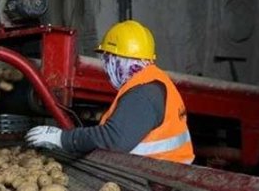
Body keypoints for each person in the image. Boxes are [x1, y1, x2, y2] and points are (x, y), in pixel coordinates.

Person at [25, 20, 194, 164]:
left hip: (161, 178)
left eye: (108, 59)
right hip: (165, 170)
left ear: (119, 59)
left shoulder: (143, 93)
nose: (106, 67)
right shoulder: (150, 80)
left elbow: (113, 139)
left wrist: (62, 139)